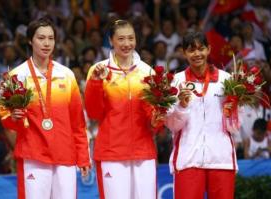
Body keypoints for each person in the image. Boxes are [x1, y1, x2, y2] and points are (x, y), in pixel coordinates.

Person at [0, 17, 90, 199]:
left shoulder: (66, 75)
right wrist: (13, 117)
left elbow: (78, 123)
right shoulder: (16, 76)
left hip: (65, 156)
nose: (46, 43)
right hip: (34, 155)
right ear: (30, 40)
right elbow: (5, 117)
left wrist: (83, 155)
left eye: (51, 38)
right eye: (41, 38)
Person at [84, 19, 157, 199]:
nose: (127, 44)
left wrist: (159, 119)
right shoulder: (98, 70)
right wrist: (95, 82)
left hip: (143, 152)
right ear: (111, 41)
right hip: (112, 152)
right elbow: (93, 113)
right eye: (121, 39)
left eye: (131, 38)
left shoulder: (148, 72)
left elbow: (154, 119)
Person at [166, 31, 237, 199]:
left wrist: (233, 110)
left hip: (221, 158)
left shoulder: (226, 80)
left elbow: (234, 126)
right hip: (188, 159)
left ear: (209, 49)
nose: (197, 54)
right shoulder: (177, 81)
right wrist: (181, 107)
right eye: (191, 50)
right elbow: (171, 125)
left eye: (201, 49)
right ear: (184, 53)